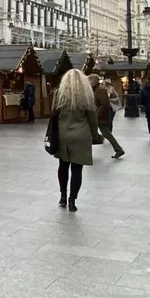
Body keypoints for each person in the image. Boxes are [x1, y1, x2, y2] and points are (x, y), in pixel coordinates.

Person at [47, 69, 101, 212]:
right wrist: (94, 135)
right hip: (81, 135)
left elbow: (53, 113)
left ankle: (63, 196)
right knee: (77, 169)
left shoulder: (59, 94)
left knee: (63, 166)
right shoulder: (87, 95)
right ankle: (72, 200)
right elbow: (92, 118)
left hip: (63, 135)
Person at [90, 74, 125, 159]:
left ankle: (118, 149)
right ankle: (118, 149)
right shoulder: (95, 89)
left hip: (99, 117)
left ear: (94, 80)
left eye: (90, 80)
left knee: (106, 134)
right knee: (96, 133)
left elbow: (104, 104)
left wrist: (97, 114)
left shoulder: (100, 90)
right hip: (96, 116)